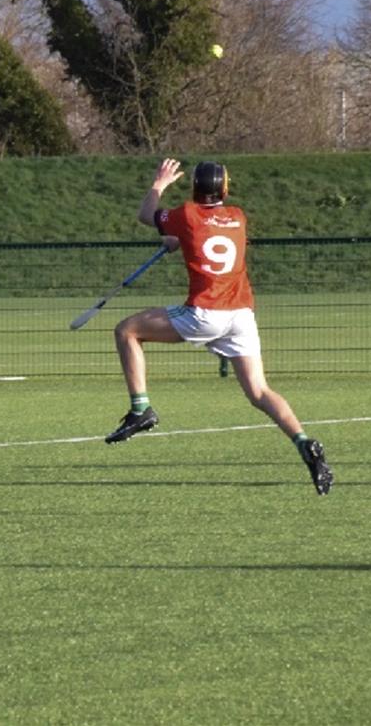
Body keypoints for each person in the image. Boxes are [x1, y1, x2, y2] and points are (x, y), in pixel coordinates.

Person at [104, 158, 334, 496]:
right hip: (241, 316)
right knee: (260, 392)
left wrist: (159, 185)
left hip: (205, 313)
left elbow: (146, 215)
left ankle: (141, 410)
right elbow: (210, 236)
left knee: (127, 330)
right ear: (224, 188)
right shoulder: (238, 217)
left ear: (194, 188)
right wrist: (178, 240)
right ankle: (303, 442)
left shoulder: (185, 214)